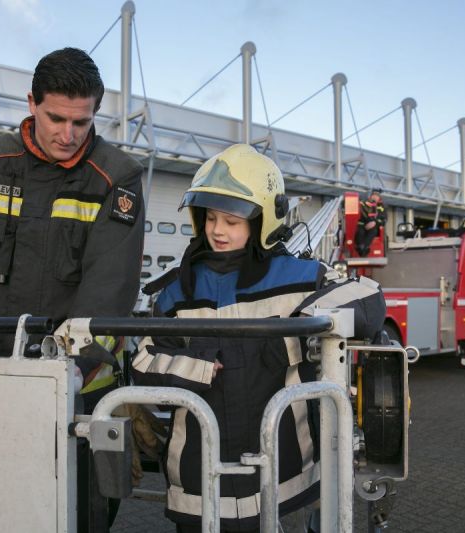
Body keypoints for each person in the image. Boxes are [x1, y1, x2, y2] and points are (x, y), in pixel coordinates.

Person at [0, 47, 145, 531]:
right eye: (56, 118)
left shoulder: (117, 177)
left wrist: (59, 377)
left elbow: (109, 286)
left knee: (80, 514)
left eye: (81, 123)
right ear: (31, 103)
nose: (68, 135)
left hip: (82, 392)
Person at [132, 144, 385, 532]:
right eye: (211, 217)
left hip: (285, 480)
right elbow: (144, 360)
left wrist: (299, 329)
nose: (217, 230)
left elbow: (367, 296)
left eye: (232, 220)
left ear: (264, 219)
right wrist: (197, 368)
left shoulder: (299, 277)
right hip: (200, 481)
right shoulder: (176, 291)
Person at [355, 188, 386, 257]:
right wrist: (366, 223)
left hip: (374, 227)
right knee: (360, 232)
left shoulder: (382, 207)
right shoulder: (364, 203)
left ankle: (364, 248)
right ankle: (361, 248)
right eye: (374, 195)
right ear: (370, 196)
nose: (375, 197)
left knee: (373, 231)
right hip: (363, 225)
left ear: (379, 198)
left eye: (377, 196)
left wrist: (374, 222)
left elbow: (384, 220)